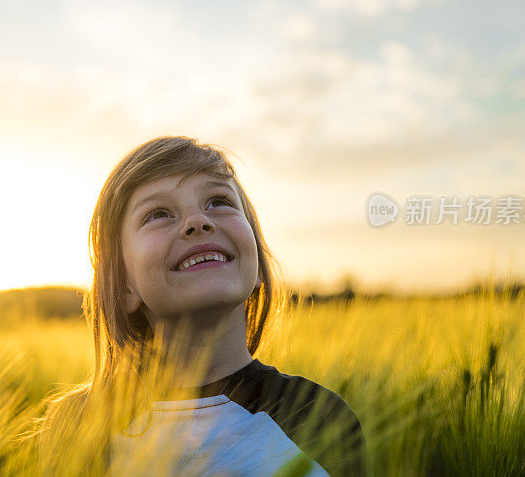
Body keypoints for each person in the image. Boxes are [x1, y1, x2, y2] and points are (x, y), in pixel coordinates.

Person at [37, 136, 367, 476]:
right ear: (124, 286)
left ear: (256, 266)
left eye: (218, 201)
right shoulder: (77, 424)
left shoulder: (317, 414)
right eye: (158, 213)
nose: (197, 221)